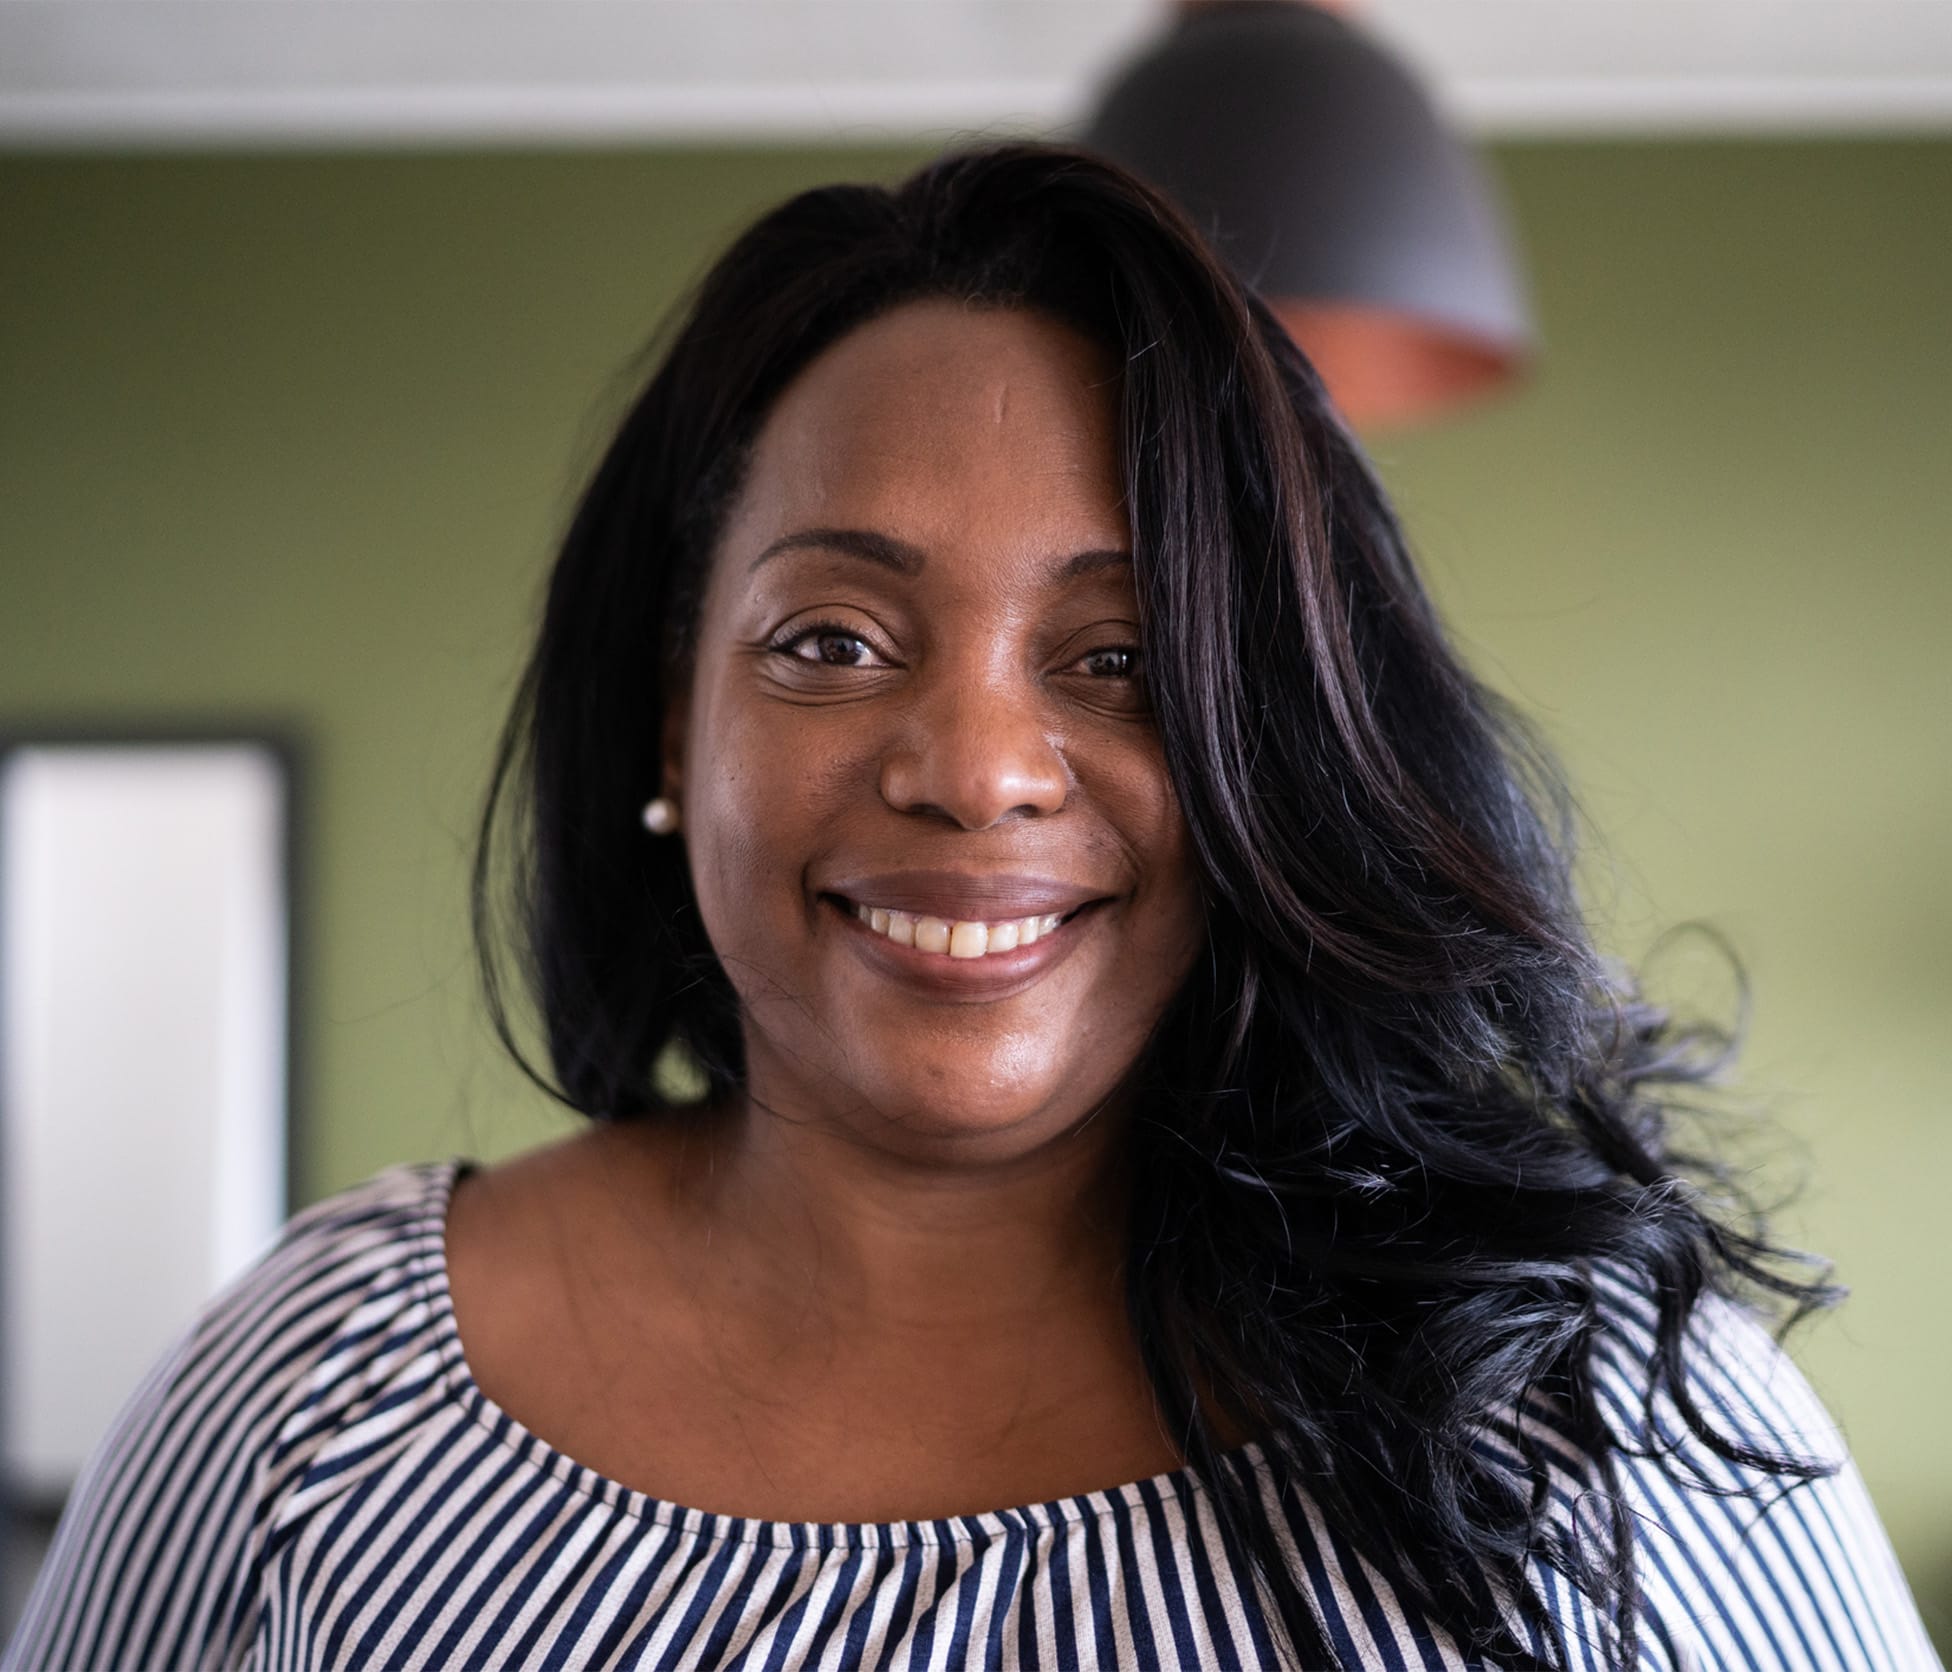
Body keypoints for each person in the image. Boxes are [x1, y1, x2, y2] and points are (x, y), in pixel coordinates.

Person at [5, 143, 1940, 1672]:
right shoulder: (311, 1395)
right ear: (675, 716)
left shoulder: (1589, 1405)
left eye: (1121, 660)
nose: (976, 768)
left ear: (1273, 749)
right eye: (833, 641)